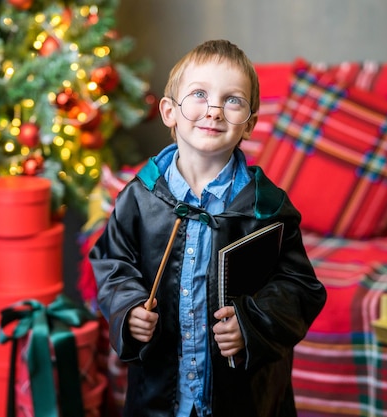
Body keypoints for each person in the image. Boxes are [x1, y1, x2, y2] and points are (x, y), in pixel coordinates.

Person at [89, 39, 327, 417]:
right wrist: (129, 307)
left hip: (244, 398)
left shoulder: (267, 207)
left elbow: (301, 288)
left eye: (232, 100)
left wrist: (252, 323)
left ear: (249, 123)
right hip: (160, 394)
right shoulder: (140, 197)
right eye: (199, 94)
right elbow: (111, 262)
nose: (214, 111)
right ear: (169, 111)